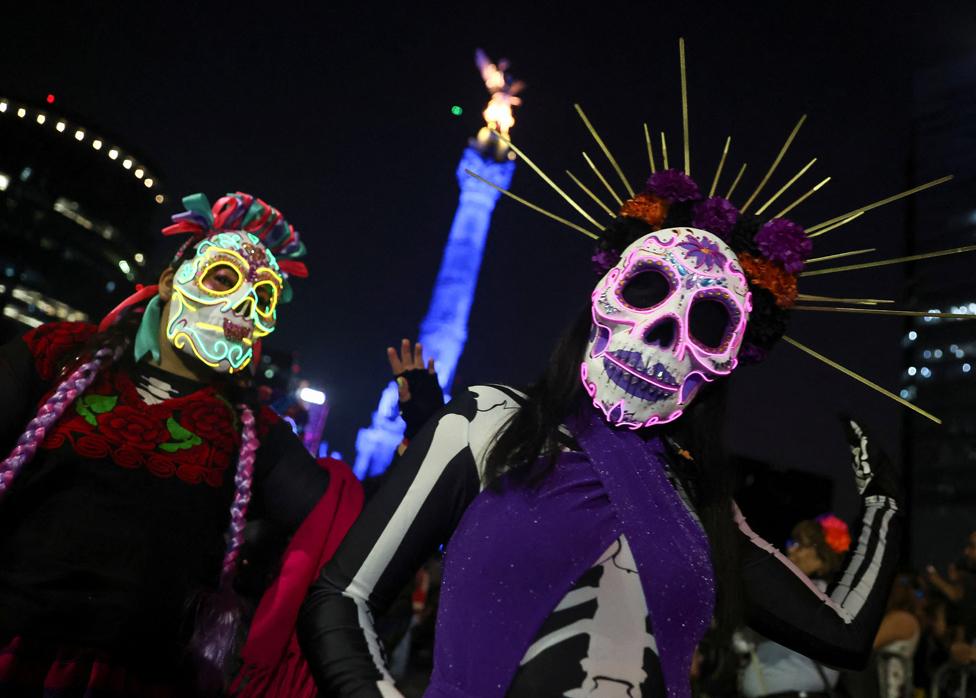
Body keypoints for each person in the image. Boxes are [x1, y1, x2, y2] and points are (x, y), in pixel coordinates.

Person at [297, 153, 905, 695]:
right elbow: (344, 597)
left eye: (708, 322)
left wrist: (882, 503)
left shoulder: (705, 506)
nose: (665, 335)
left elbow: (842, 635)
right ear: (604, 293)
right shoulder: (486, 424)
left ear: (726, 360)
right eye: (648, 291)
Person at [0, 192, 349, 697]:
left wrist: (425, 441)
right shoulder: (57, 357)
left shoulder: (255, 433)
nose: (240, 307)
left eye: (262, 298)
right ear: (170, 281)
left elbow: (343, 522)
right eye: (224, 278)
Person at [740, 514, 852, 697]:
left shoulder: (821, 598)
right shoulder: (804, 594)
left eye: (799, 545)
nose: (791, 551)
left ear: (821, 556)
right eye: (791, 542)